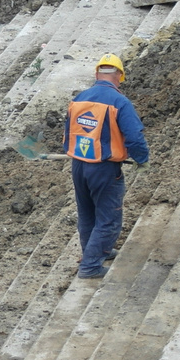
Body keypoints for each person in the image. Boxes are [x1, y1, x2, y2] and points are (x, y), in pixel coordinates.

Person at [66, 54, 149, 279]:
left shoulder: (80, 98)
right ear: (120, 76)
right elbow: (134, 137)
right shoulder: (119, 102)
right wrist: (142, 158)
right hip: (103, 169)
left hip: (79, 164)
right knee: (109, 218)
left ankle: (94, 251)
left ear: (96, 74)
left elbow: (69, 132)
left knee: (87, 213)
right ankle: (91, 266)